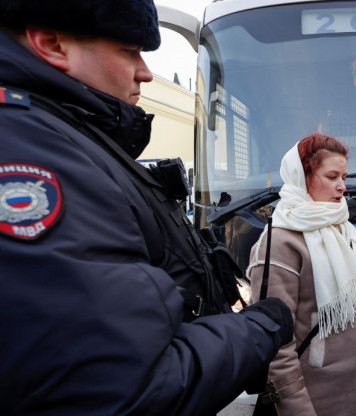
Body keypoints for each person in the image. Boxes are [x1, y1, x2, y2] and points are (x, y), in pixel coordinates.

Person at [0, 0, 294, 414]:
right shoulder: (35, 157)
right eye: (129, 51)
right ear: (52, 44)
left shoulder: (65, 135)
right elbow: (120, 390)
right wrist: (261, 327)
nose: (145, 71)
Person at [247, 133, 356, 416]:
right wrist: (298, 409)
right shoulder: (280, 242)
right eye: (332, 176)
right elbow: (276, 346)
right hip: (320, 401)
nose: (342, 187)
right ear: (303, 177)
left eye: (344, 177)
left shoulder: (344, 226)